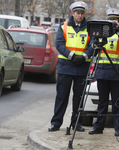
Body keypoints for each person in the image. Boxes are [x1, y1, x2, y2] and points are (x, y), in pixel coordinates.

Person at [48, 1, 94, 132]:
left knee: (78, 97)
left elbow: (92, 45)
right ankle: (56, 123)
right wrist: (73, 56)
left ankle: (76, 124)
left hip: (82, 66)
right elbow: (59, 44)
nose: (79, 15)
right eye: (77, 13)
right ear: (72, 13)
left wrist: (84, 56)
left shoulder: (89, 27)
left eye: (81, 13)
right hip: (66, 66)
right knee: (62, 96)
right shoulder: (64, 26)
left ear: (84, 14)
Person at [89, 8, 119, 136]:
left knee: (117, 102)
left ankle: (118, 128)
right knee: (102, 101)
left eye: (115, 19)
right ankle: (98, 126)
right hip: (102, 72)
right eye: (110, 19)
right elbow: (92, 46)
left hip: (116, 73)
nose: (113, 22)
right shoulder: (102, 33)